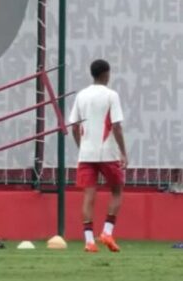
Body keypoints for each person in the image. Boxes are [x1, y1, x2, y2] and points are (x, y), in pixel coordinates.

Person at [69, 59, 127, 253]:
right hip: (108, 151)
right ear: (106, 74)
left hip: (86, 153)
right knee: (117, 190)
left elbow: (74, 127)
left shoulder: (81, 96)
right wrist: (124, 152)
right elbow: (117, 126)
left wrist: (81, 147)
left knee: (88, 195)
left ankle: (89, 241)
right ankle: (107, 232)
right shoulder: (111, 95)